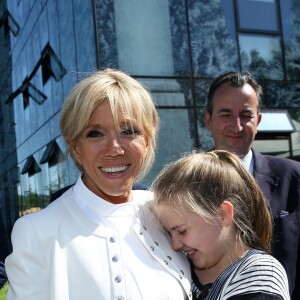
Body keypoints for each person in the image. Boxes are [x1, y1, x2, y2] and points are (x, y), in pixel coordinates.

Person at [5, 69, 192, 299]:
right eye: (95, 134)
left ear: (147, 141)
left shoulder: (167, 212)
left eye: (129, 131)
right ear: (75, 147)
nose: (114, 148)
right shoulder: (37, 232)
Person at [204, 71, 300, 299]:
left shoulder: (294, 178)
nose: (236, 126)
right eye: (226, 114)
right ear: (208, 120)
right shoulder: (185, 184)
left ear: (258, 120)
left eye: (246, 115)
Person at [151, 150, 290, 300]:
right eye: (168, 233)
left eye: (182, 231)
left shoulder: (260, 276)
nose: (175, 245)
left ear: (223, 214)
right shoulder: (182, 268)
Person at [49, 182, 148, 202]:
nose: (114, 150)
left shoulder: (148, 198)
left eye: (128, 132)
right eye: (95, 134)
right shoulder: (59, 199)